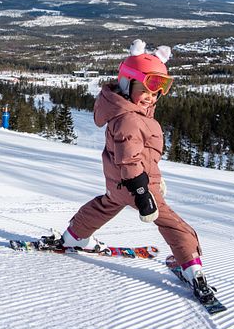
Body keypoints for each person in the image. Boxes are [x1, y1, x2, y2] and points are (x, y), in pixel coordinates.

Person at [59, 39, 211, 295]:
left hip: (118, 184)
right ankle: (190, 266)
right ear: (126, 85)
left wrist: (154, 178)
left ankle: (75, 236)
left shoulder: (126, 112)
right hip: (135, 184)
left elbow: (141, 155)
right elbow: (130, 159)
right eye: (145, 90)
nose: (150, 98)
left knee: (106, 205)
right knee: (173, 224)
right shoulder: (130, 120)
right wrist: (143, 193)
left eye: (156, 92)